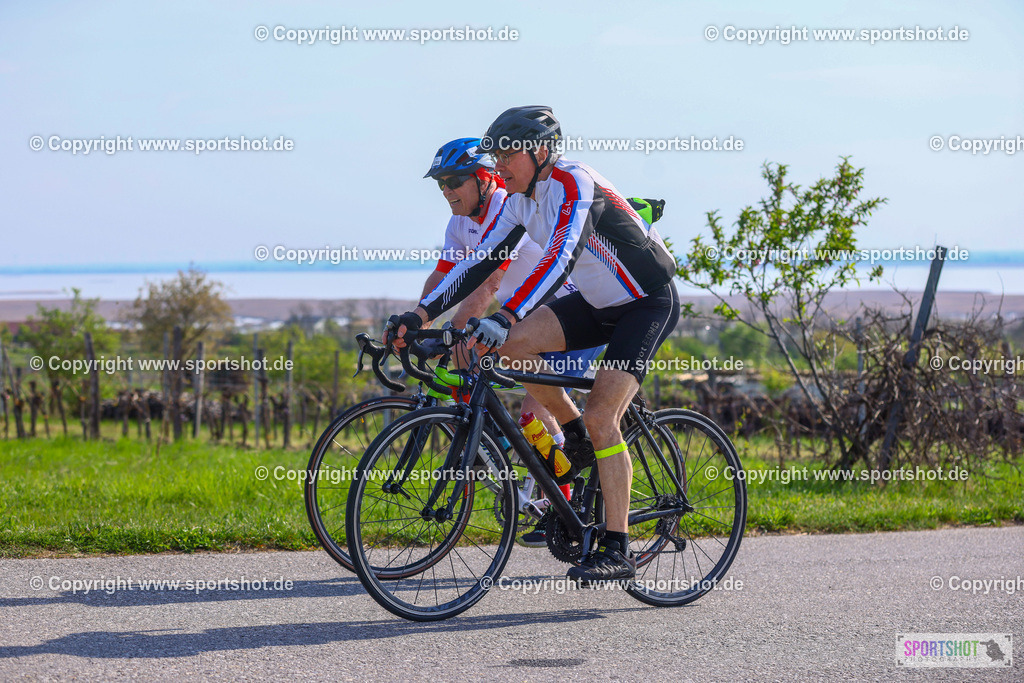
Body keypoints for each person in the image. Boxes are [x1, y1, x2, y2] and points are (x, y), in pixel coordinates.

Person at [389, 107, 680, 585]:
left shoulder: (573, 181)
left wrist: (506, 315)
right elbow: (481, 263)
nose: (499, 165)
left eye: (508, 153)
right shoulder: (519, 200)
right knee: (502, 350)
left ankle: (617, 546)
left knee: (604, 415)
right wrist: (419, 315)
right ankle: (576, 440)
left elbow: (560, 257)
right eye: (496, 154)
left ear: (539, 151)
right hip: (594, 303)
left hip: (644, 303)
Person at [417, 137, 604, 546]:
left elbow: (488, 282)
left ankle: (564, 506)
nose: (447, 191)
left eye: (454, 181)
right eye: (440, 184)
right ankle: (520, 470)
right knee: (476, 383)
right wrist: (418, 321)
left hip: (570, 314)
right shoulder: (459, 222)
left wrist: (459, 332)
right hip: (526, 323)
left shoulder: (508, 206)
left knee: (533, 417)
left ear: (484, 179)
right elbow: (444, 276)